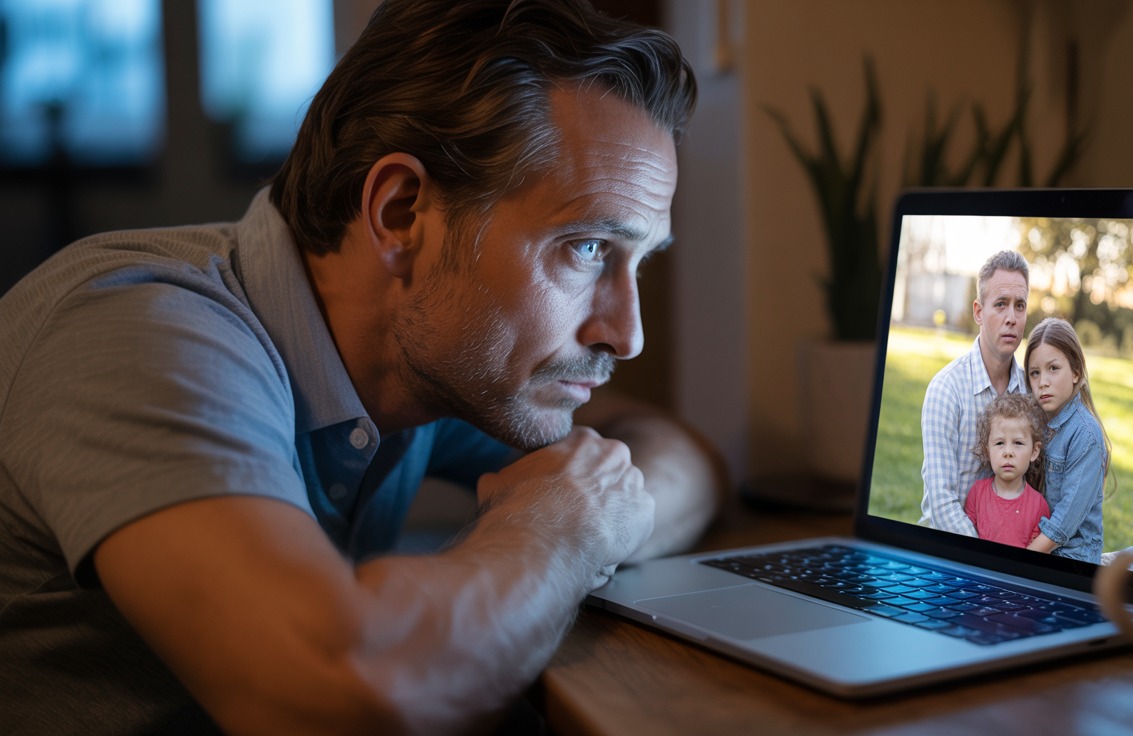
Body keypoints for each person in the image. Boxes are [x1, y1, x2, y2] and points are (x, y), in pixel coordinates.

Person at [0, 1, 723, 733]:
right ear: (402, 212)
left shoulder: (424, 371)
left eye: (638, 261)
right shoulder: (143, 335)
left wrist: (602, 512)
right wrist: (558, 534)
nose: (626, 335)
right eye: (590, 247)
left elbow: (675, 452)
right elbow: (341, 689)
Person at [920, 250, 1030, 535]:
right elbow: (941, 504)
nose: (1012, 318)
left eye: (1020, 306)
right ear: (978, 312)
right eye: (1001, 304)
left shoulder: (1031, 392)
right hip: (953, 550)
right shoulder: (946, 390)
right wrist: (987, 556)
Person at [1023, 317, 1111, 563]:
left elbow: (1062, 526)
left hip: (1071, 558)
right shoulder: (1035, 424)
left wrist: (1018, 560)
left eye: (1053, 368)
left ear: (1076, 372)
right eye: (1035, 373)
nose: (1043, 382)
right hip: (1039, 545)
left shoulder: (1085, 435)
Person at [964, 393, 1051, 548]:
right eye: (999, 443)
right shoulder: (977, 494)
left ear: (1034, 451)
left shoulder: (1038, 506)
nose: (1008, 452)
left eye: (1017, 443)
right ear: (987, 450)